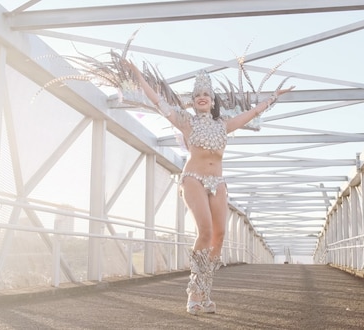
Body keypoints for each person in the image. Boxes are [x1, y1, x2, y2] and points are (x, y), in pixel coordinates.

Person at [125, 61, 294, 315]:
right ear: (192, 102)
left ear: (213, 101)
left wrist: (274, 97)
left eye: (206, 94)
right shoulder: (186, 121)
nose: (202, 98)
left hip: (218, 183)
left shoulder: (224, 125)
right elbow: (158, 100)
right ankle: (193, 293)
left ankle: (205, 293)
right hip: (193, 178)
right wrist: (138, 75)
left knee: (220, 235)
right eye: (197, 96)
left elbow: (252, 113)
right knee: (204, 231)